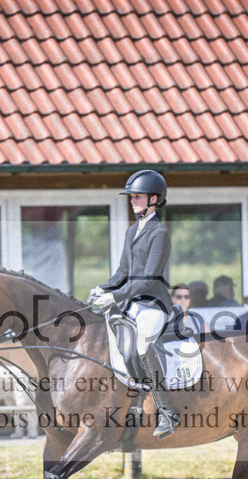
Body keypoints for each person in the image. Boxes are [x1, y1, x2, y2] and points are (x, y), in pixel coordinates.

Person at [89, 169, 178, 439]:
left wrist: (115, 296)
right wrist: (103, 288)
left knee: (142, 346)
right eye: (131, 197)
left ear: (154, 199)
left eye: (137, 196)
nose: (132, 201)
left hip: (153, 304)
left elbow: (149, 279)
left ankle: (166, 412)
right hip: (133, 303)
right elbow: (123, 272)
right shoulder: (132, 231)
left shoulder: (159, 233)